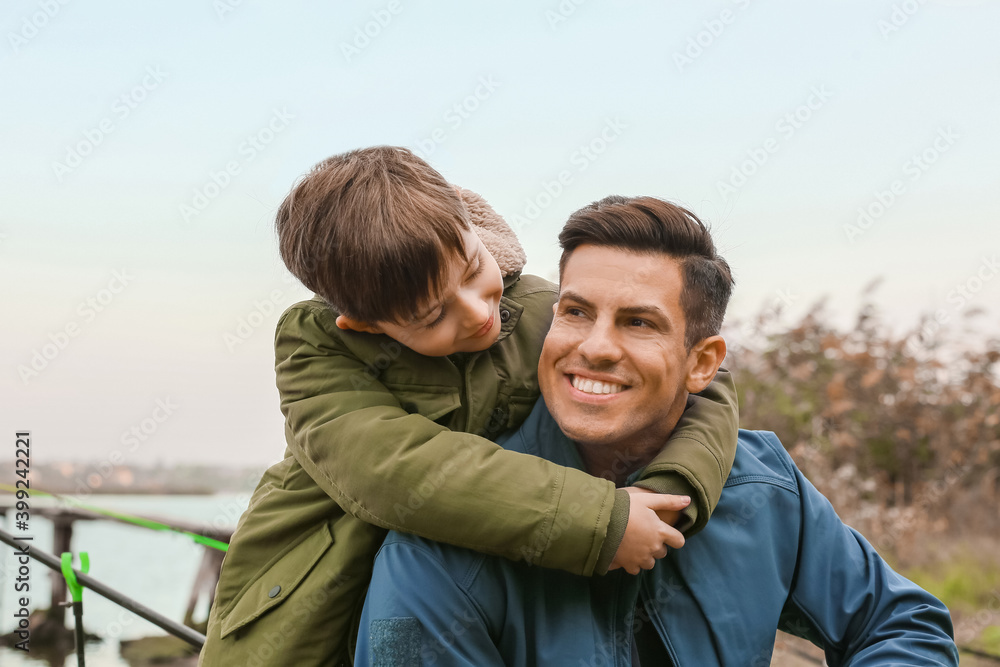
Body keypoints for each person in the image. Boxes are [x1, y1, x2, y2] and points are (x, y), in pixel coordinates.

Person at [357, 195, 960, 666]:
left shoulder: (764, 485)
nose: (593, 348)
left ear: (702, 362)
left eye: (638, 322)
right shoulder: (432, 547)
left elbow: (901, 624)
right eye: (575, 312)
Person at [199, 148, 742, 666]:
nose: (479, 311)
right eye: (432, 316)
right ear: (366, 324)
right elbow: (389, 468)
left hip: (448, 600)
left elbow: (698, 383)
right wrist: (600, 521)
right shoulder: (319, 345)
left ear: (473, 230)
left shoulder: (532, 306)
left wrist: (668, 492)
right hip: (306, 604)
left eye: (472, 269)